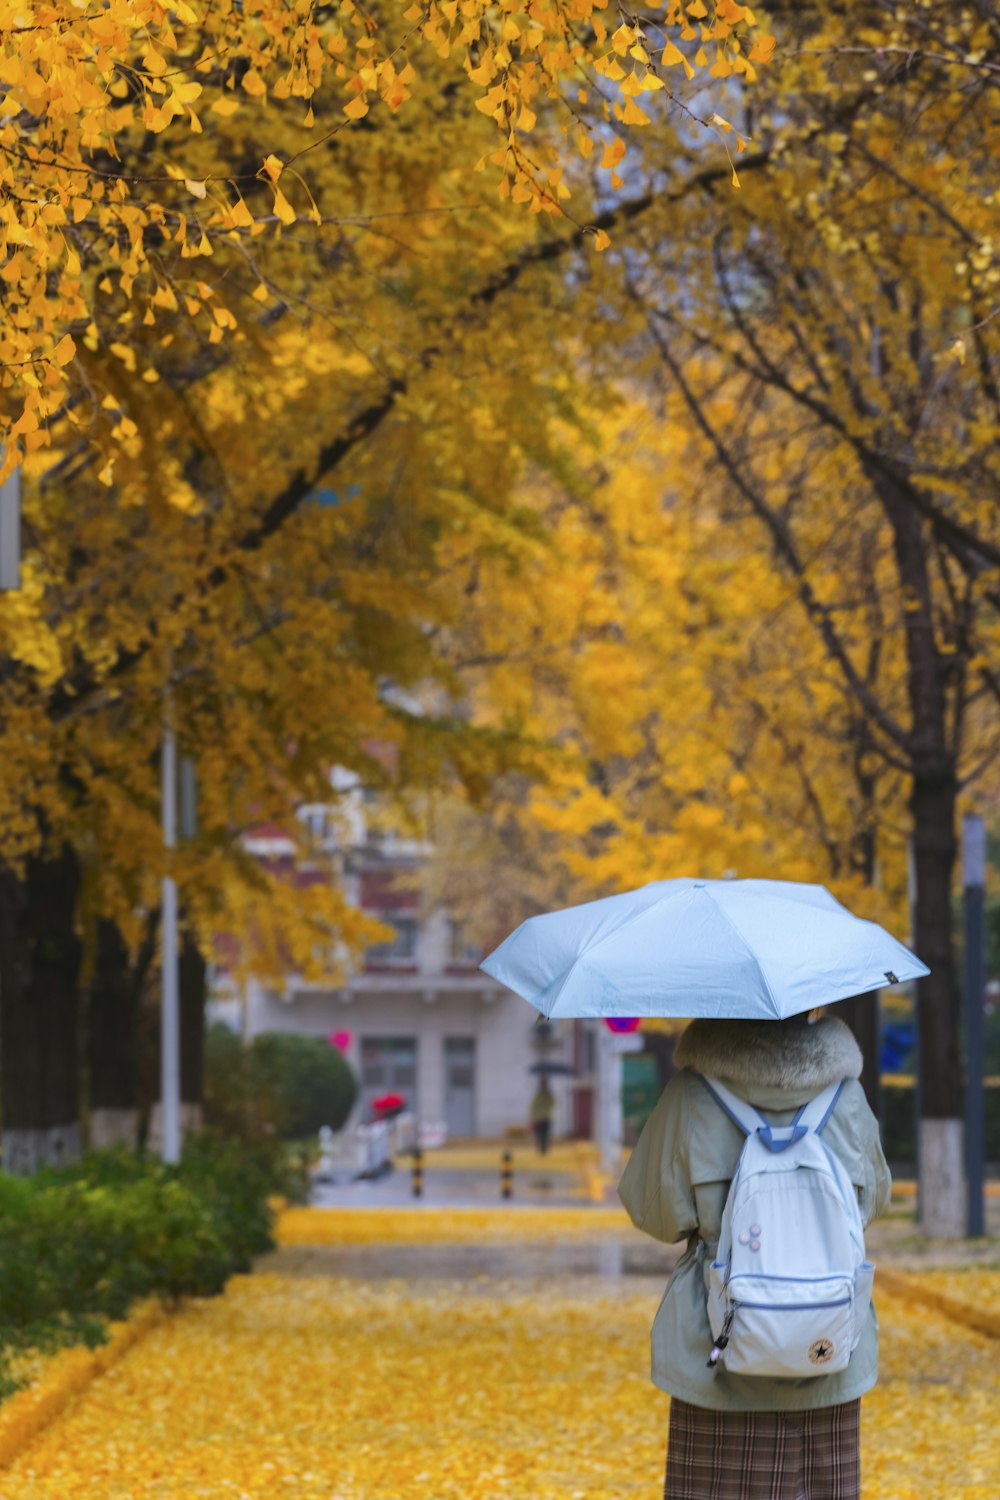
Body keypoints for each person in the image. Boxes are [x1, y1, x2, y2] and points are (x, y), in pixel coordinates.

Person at [618, 1013, 891, 1500]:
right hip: (826, 1347)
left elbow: (652, 1211)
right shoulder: (846, 1096)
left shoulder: (690, 1095)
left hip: (717, 1352)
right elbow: (873, 1203)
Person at [530, 1078, 555, 1155]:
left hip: (547, 1116)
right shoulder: (538, 1095)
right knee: (540, 1134)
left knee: (546, 1134)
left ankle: (545, 1149)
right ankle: (541, 1149)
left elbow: (553, 1103)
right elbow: (533, 1106)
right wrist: (533, 1117)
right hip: (539, 1117)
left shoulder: (549, 1094)